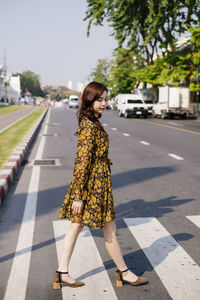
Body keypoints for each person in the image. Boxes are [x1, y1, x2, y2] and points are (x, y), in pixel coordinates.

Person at [53, 82, 148, 289]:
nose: (104, 103)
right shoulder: (89, 126)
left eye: (106, 99)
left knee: (79, 227)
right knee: (107, 228)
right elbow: (82, 162)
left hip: (97, 183)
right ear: (90, 100)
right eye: (100, 99)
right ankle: (123, 272)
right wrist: (78, 195)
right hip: (92, 186)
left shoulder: (92, 122)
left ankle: (62, 272)